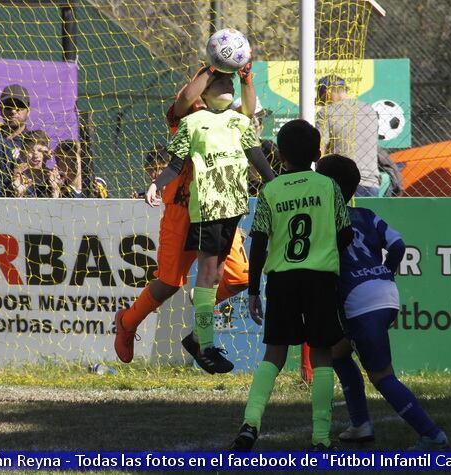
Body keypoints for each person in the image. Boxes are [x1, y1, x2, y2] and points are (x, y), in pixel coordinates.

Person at [113, 64, 261, 367]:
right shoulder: (186, 117)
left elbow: (248, 112)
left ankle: (199, 333)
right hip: (182, 212)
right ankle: (127, 323)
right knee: (168, 283)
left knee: (240, 278)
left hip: (219, 209)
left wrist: (245, 77)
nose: (221, 84)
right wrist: (211, 67)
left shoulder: (229, 119)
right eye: (213, 80)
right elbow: (184, 99)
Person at [230, 120, 352, 451]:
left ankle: (250, 423)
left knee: (274, 355)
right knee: (323, 355)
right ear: (317, 153)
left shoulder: (271, 191)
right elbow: (345, 233)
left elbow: (257, 242)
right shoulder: (329, 187)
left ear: (280, 156)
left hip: (282, 279)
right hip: (320, 277)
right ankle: (321, 436)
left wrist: (254, 288)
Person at [316, 153, 449, 449]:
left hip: (358, 300)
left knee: (382, 376)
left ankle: (431, 434)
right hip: (384, 292)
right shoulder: (366, 215)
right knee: (338, 353)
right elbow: (398, 245)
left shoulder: (323, 221)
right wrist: (386, 272)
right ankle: (360, 424)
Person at [315, 75, 380, 197]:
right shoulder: (369, 109)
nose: (323, 104)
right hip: (371, 183)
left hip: (340, 183)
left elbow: (320, 149)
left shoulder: (326, 112)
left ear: (328, 92)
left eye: (322, 99)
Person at [12, 130, 59, 198]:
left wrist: (55, 190)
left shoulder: (53, 179)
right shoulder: (16, 178)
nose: (35, 155)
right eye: (30, 150)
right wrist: (19, 194)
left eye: (40, 151)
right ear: (22, 153)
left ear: (48, 154)